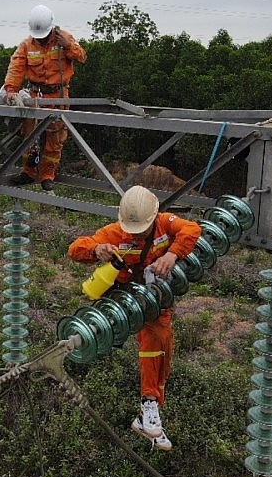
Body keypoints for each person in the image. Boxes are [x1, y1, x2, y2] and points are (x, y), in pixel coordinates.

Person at [67, 185, 201, 450]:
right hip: (128, 299)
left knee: (164, 353)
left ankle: (151, 412)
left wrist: (172, 254)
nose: (138, 234)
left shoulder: (165, 224)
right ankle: (149, 403)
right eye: (134, 230)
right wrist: (97, 250)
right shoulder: (115, 233)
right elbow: (75, 248)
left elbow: (192, 229)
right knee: (153, 345)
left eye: (142, 229)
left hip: (156, 299)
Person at [3, 5, 87, 192]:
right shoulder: (27, 45)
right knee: (30, 136)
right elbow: (16, 68)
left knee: (55, 139)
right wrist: (11, 90)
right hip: (35, 96)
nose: (40, 39)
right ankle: (29, 172)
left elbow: (82, 57)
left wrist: (68, 45)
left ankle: (47, 175)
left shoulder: (64, 39)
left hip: (59, 96)